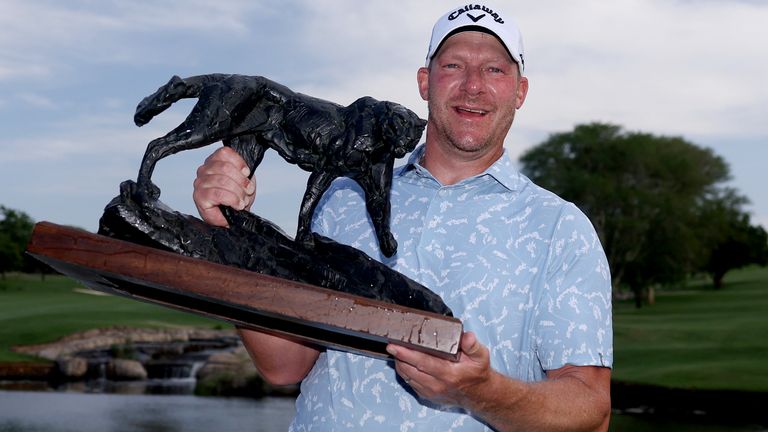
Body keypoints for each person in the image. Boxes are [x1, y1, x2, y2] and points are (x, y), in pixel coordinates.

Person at [193, 4, 613, 431]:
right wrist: (229, 232)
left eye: (494, 70)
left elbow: (591, 411)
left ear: (520, 91)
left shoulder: (559, 228)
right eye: (453, 65)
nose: (473, 86)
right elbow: (285, 365)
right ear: (424, 82)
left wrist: (480, 390)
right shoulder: (343, 196)